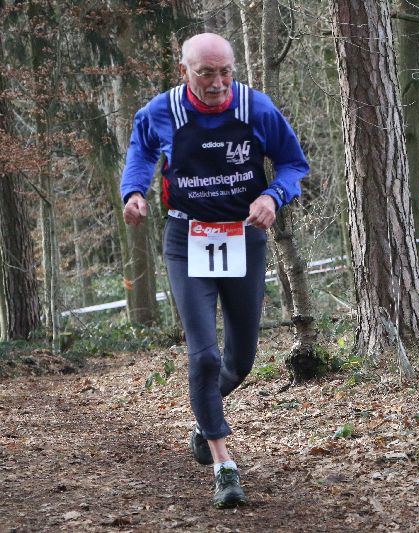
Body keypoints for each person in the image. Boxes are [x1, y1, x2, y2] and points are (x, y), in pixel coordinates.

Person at [120, 32, 309, 509]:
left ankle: (203, 417)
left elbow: (293, 163)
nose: (218, 83)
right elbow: (141, 150)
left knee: (240, 361)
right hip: (188, 241)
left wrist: (273, 196)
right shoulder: (163, 111)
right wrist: (134, 191)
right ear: (184, 72)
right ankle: (225, 465)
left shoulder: (255, 107)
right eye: (206, 73)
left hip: (243, 237)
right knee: (204, 356)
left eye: (225, 72)